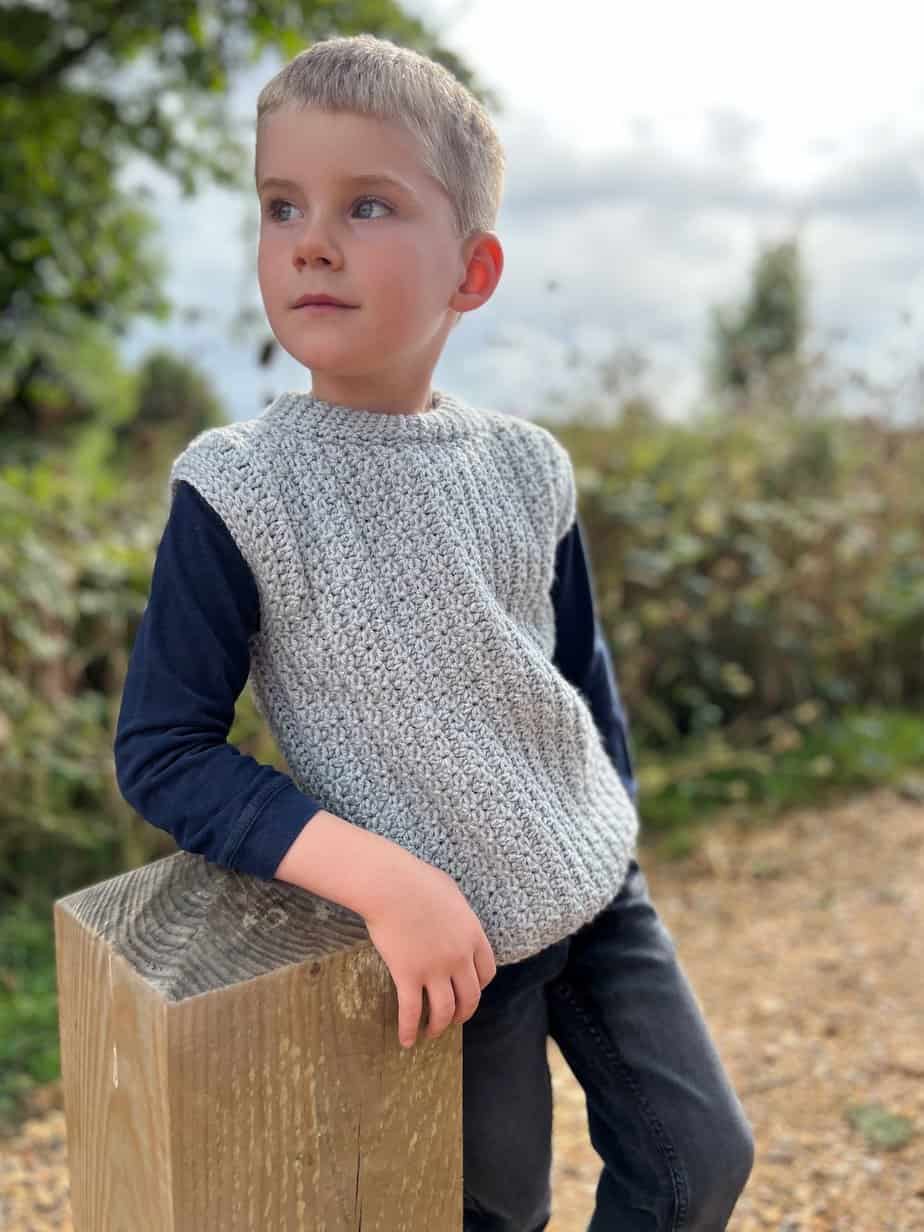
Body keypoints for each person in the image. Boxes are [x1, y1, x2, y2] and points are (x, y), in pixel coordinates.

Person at [113, 33, 754, 1231]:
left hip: (594, 886)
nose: (310, 237)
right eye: (280, 204)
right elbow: (163, 749)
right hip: (444, 947)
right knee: (486, 1212)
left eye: (368, 204)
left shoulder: (525, 463)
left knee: (696, 1165)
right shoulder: (239, 487)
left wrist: (610, 811)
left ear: (474, 269)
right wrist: (388, 880)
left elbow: (575, 668)